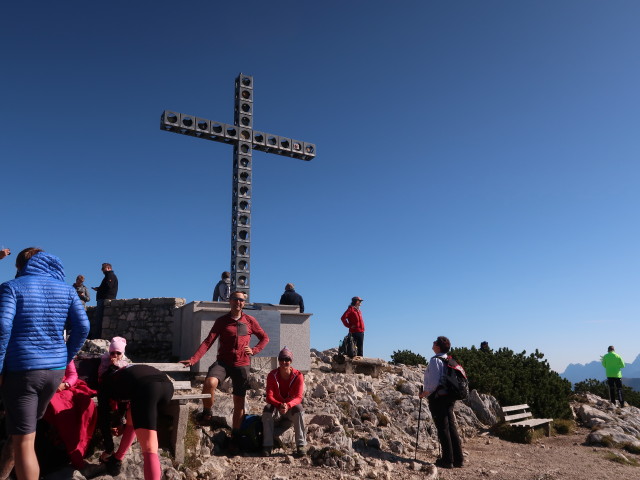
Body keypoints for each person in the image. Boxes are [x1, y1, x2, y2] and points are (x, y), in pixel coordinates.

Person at [0, 247, 89, 480]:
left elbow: (2, 327)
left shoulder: (12, 287)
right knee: (26, 432)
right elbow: (83, 327)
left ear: (21, 266)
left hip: (22, 370)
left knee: (24, 442)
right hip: (54, 372)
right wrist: (65, 358)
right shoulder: (68, 291)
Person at [180, 291, 269, 446]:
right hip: (223, 363)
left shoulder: (250, 320)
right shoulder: (222, 321)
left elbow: (264, 338)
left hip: (242, 365)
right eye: (235, 299)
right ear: (230, 301)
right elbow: (208, 342)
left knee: (239, 403)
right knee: (209, 383)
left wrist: (254, 350)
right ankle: (207, 413)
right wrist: (194, 359)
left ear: (244, 303)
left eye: (241, 300)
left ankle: (235, 437)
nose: (238, 302)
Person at [98, 364, 174, 479]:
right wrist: (119, 421)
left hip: (147, 389)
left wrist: (108, 449)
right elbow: (124, 404)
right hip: (167, 388)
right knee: (133, 417)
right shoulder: (123, 374)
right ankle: (117, 458)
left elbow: (103, 418)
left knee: (149, 447)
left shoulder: (104, 385)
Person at [419, 336, 464, 469]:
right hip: (450, 397)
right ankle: (458, 459)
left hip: (438, 398)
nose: (432, 343)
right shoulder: (449, 360)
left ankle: (447, 460)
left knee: (443, 428)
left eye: (434, 342)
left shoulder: (435, 361)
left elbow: (433, 383)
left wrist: (424, 394)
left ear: (438, 347)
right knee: (451, 427)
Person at [262, 347, 306, 457]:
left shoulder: (298, 376)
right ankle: (267, 445)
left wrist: (288, 405)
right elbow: (269, 396)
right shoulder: (272, 375)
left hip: (290, 409)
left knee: (299, 408)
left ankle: (301, 445)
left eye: (287, 359)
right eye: (281, 359)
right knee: (267, 409)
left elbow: (299, 397)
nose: (284, 362)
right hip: (277, 408)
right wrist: (279, 405)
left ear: (291, 361)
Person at [91, 263, 118, 339]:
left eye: (103, 268)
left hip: (104, 299)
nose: (102, 270)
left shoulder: (110, 276)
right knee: (99, 319)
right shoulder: (108, 276)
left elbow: (108, 287)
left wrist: (99, 289)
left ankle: (97, 337)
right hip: (103, 298)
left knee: (99, 320)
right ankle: (97, 337)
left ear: (109, 268)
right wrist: (98, 288)